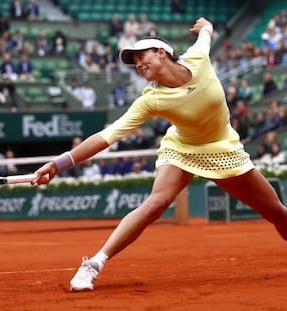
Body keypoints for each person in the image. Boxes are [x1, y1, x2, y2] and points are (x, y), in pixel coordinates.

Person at [32, 17, 287, 291]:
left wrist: (205, 26)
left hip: (224, 148)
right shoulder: (150, 99)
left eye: (143, 56)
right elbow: (107, 136)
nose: (139, 64)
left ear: (162, 53)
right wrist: (58, 164)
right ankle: (93, 264)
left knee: (276, 212)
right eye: (134, 62)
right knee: (157, 202)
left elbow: (206, 33)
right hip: (181, 149)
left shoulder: (198, 58)